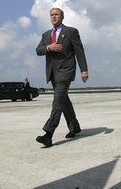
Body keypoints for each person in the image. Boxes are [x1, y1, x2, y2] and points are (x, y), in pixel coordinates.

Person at [35, 8, 89, 147]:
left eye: (56, 14)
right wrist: (49, 47)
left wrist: (84, 70)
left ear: (62, 17)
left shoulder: (71, 32)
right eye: (51, 15)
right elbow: (38, 50)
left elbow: (79, 51)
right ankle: (74, 127)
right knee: (64, 101)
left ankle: (48, 133)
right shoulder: (46, 35)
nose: (54, 17)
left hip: (66, 70)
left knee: (57, 101)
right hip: (52, 72)